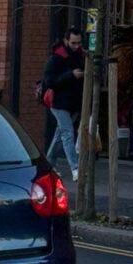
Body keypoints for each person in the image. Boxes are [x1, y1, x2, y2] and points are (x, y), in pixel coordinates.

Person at [42, 28, 85, 181]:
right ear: (66, 40)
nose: (76, 46)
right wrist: (71, 75)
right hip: (58, 103)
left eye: (79, 43)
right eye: (73, 43)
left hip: (73, 103)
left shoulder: (81, 55)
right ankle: (75, 169)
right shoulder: (56, 58)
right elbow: (49, 82)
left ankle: (47, 166)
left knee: (59, 135)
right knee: (67, 134)